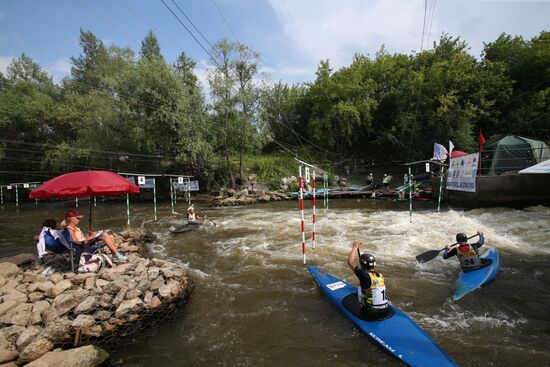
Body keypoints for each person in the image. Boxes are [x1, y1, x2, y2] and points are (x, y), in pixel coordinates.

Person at [347, 240, 389, 319]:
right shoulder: (380, 275)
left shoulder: (363, 275)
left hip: (371, 313)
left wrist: (355, 247)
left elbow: (350, 262)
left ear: (362, 265)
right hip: (385, 310)